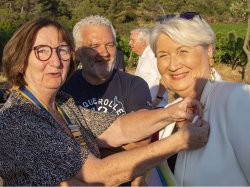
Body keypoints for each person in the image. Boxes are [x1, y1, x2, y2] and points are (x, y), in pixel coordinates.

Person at [0, 17, 210, 186]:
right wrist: (178, 142)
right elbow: (98, 174)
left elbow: (118, 128)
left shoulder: (63, 104)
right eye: (42, 51)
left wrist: (173, 112)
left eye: (62, 50)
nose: (56, 62)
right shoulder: (18, 119)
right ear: (19, 61)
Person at [150, 12, 250, 185]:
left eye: (182, 51)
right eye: (163, 55)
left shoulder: (237, 99)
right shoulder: (168, 115)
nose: (173, 65)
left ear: (209, 50)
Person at [61, 15, 153, 186]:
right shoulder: (63, 89)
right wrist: (123, 142)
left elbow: (143, 138)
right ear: (77, 52)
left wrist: (85, 148)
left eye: (110, 44)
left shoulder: (134, 84)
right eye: (94, 46)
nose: (104, 52)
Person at [129, 27, 168, 108]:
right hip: (146, 107)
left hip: (156, 108)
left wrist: (158, 98)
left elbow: (165, 77)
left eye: (133, 40)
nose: (129, 43)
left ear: (143, 41)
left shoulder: (152, 55)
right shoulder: (142, 56)